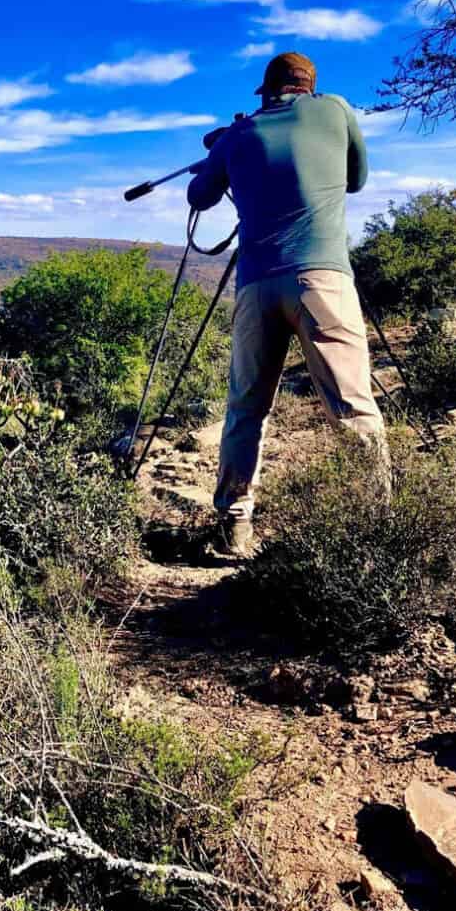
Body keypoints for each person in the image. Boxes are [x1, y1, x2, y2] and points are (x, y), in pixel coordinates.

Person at [186, 50, 388, 558]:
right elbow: (355, 179)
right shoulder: (336, 110)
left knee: (246, 410)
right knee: (352, 407)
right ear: (309, 88)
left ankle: (234, 527)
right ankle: (380, 526)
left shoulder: (239, 134)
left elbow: (199, 196)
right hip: (323, 280)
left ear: (268, 90)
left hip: (257, 287)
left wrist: (222, 151)